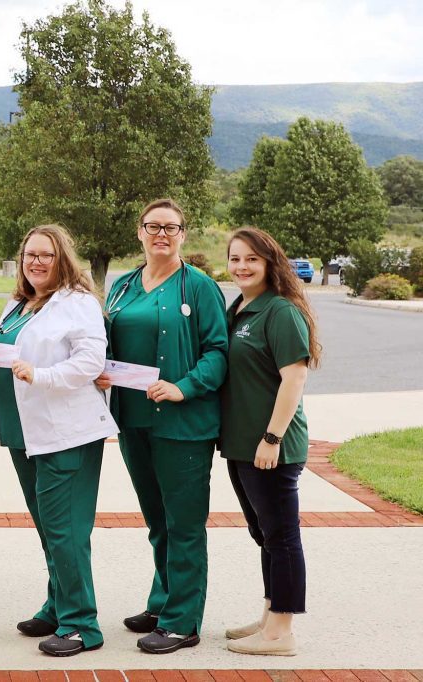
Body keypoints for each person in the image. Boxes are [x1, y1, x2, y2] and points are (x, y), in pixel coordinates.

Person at [96, 198, 228, 654]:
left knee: (184, 523)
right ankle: (163, 601)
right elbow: (107, 341)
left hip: (183, 424)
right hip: (134, 420)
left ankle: (182, 621)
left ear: (183, 235)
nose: (161, 235)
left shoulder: (200, 287)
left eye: (171, 228)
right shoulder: (123, 286)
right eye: (153, 226)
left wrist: (183, 387)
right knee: (157, 520)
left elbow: (219, 352)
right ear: (139, 232)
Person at [0, 225, 119, 657]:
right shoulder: (20, 303)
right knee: (49, 529)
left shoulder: (77, 304)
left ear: (62, 258)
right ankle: (59, 605)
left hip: (66, 433)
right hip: (25, 433)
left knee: (66, 531)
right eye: (29, 255)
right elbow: (3, 349)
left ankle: (82, 625)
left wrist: (40, 375)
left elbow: (88, 361)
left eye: (46, 255)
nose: (36, 262)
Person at [219, 227, 320, 656]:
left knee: (281, 535)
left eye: (251, 260)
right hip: (242, 443)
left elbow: (294, 376)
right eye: (235, 258)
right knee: (263, 533)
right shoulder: (240, 307)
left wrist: (272, 437)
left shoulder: (280, 311)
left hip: (271, 445)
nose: (242, 266)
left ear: (269, 263)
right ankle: (268, 615)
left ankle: (281, 633)